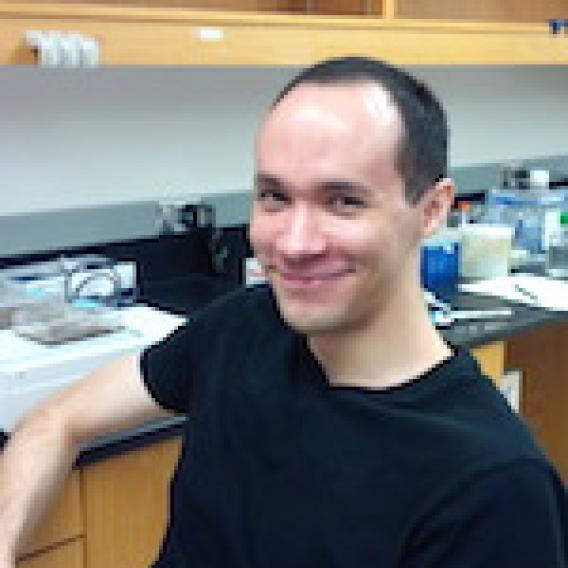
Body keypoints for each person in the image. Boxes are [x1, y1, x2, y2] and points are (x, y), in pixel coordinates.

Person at [1, 56, 566, 567]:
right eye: (275, 196)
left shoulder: (493, 489)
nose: (294, 244)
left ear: (432, 210)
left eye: (342, 202)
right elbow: (56, 420)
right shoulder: (241, 327)